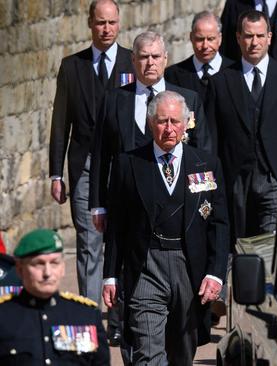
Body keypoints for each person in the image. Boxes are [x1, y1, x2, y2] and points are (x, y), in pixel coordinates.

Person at [103, 91, 229, 365]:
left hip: (189, 267)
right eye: (162, 121)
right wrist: (110, 275)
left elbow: (219, 225)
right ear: (150, 124)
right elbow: (116, 226)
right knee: (148, 351)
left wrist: (216, 274)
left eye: (174, 121)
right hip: (146, 266)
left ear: (186, 124)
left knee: (183, 350)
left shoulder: (206, 164)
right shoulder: (128, 163)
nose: (168, 129)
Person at [48, 0, 132, 312]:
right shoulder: (72, 66)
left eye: (111, 22)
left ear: (119, 23)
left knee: (122, 240)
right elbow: (60, 123)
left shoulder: (132, 62)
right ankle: (90, 313)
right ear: (90, 24)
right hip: (83, 166)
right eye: (100, 23)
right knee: (88, 243)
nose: (106, 29)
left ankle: (121, 316)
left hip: (124, 168)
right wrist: (55, 173)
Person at [206, 10, 277, 240]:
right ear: (237, 38)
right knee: (238, 243)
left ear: (269, 37)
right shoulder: (220, 82)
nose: (254, 42)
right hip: (235, 180)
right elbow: (212, 139)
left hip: (276, 177)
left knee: (271, 243)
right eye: (248, 36)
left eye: (259, 35)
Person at [90, 31, 213, 230]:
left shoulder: (188, 99)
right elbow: (100, 154)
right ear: (133, 59)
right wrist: (98, 205)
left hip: (177, 203)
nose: (150, 63)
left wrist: (204, 199)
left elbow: (204, 151)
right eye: (144, 57)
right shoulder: (113, 100)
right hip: (127, 203)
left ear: (165, 59)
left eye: (155, 57)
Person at [0, 229, 110, 365]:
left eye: (54, 263)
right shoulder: (4, 316)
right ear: (20, 269)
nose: (47, 273)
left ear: (63, 267)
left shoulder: (85, 315)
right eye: (39, 264)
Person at [165, 11, 235, 103]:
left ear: (220, 38)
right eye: (200, 39)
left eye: (210, 39)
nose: (205, 46)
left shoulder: (236, 72)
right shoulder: (173, 75)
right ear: (191, 38)